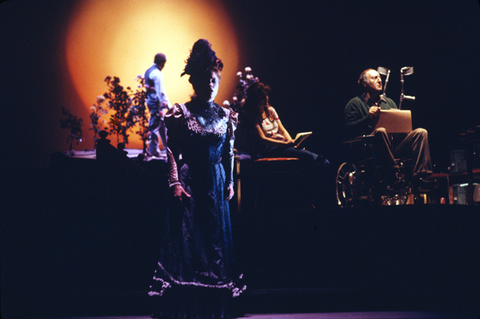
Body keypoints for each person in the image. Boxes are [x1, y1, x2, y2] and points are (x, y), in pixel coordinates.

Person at [148, 39, 245, 319]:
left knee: (215, 241)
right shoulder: (183, 113)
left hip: (215, 182)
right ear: (196, 82)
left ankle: (214, 304)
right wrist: (175, 183)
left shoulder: (225, 115)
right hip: (191, 181)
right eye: (205, 80)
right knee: (192, 241)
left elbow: (228, 149)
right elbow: (171, 149)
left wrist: (229, 182)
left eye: (214, 80)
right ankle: (187, 305)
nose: (211, 85)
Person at [344, 68, 432, 185]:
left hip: (393, 147)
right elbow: (349, 128)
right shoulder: (355, 103)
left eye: (379, 77)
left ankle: (420, 175)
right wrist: (368, 118)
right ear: (365, 84)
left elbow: (402, 133)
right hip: (371, 151)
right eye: (374, 78)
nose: (379, 80)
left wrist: (398, 121)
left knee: (421, 132)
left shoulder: (388, 102)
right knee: (380, 131)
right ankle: (392, 172)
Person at [242, 82, 328, 166]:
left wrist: (291, 142)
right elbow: (262, 139)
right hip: (269, 148)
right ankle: (320, 162)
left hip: (281, 145)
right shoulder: (252, 115)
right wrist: (286, 144)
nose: (266, 99)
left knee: (302, 154)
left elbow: (282, 130)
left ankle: (320, 163)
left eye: (266, 96)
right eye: (262, 97)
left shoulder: (270, 110)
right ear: (255, 99)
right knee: (307, 156)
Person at [145, 53, 172, 158]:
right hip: (157, 103)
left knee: (162, 125)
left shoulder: (148, 71)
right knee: (156, 126)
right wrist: (168, 105)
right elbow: (161, 91)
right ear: (162, 63)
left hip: (150, 101)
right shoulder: (157, 73)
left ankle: (167, 148)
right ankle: (154, 150)